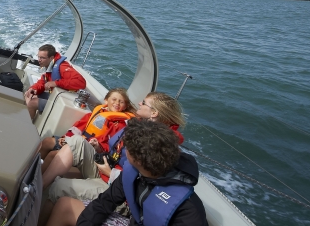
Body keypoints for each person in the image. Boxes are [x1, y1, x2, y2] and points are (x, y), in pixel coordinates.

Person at [40, 92, 186, 225]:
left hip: (118, 189)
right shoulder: (140, 126)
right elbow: (117, 151)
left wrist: (111, 173)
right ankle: (39, 186)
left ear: (154, 113)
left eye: (143, 102)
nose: (139, 104)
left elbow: (143, 183)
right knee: (77, 141)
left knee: (60, 187)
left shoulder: (160, 144)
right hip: (107, 167)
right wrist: (99, 149)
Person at [46, 119, 207, 226]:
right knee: (64, 206)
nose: (123, 150)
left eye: (126, 148)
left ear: (136, 159)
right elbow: (104, 203)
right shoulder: (133, 174)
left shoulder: (188, 210)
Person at [40, 88, 135, 170]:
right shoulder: (96, 113)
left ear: (125, 106)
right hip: (76, 141)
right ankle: (32, 171)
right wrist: (66, 137)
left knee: (53, 155)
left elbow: (111, 146)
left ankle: (37, 182)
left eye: (121, 101)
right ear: (106, 100)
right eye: (114, 99)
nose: (117, 103)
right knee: (47, 141)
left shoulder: (120, 126)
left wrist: (98, 146)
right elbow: (77, 128)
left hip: (91, 152)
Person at [24, 44, 86, 119]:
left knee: (31, 103)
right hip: (55, 96)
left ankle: (26, 126)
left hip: (63, 102)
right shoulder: (49, 67)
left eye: (42, 58)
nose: (39, 60)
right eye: (38, 56)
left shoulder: (62, 67)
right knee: (29, 95)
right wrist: (33, 88)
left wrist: (56, 83)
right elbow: (42, 82)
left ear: (51, 58)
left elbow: (81, 82)